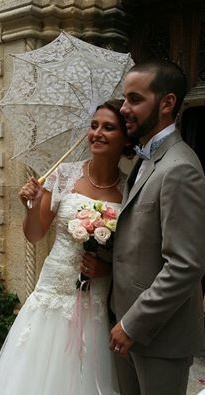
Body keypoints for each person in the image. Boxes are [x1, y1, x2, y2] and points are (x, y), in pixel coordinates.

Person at [0, 99, 131, 395]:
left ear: (125, 138)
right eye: (93, 126)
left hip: (96, 295)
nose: (97, 133)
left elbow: (131, 250)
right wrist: (30, 204)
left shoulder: (129, 188)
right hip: (53, 289)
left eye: (108, 127)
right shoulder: (64, 175)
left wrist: (108, 268)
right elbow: (35, 235)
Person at [110, 59, 205, 395]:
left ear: (167, 103)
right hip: (126, 327)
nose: (123, 109)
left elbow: (185, 265)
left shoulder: (180, 168)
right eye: (124, 99)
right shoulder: (144, 159)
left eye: (135, 100)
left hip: (158, 337)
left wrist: (132, 324)